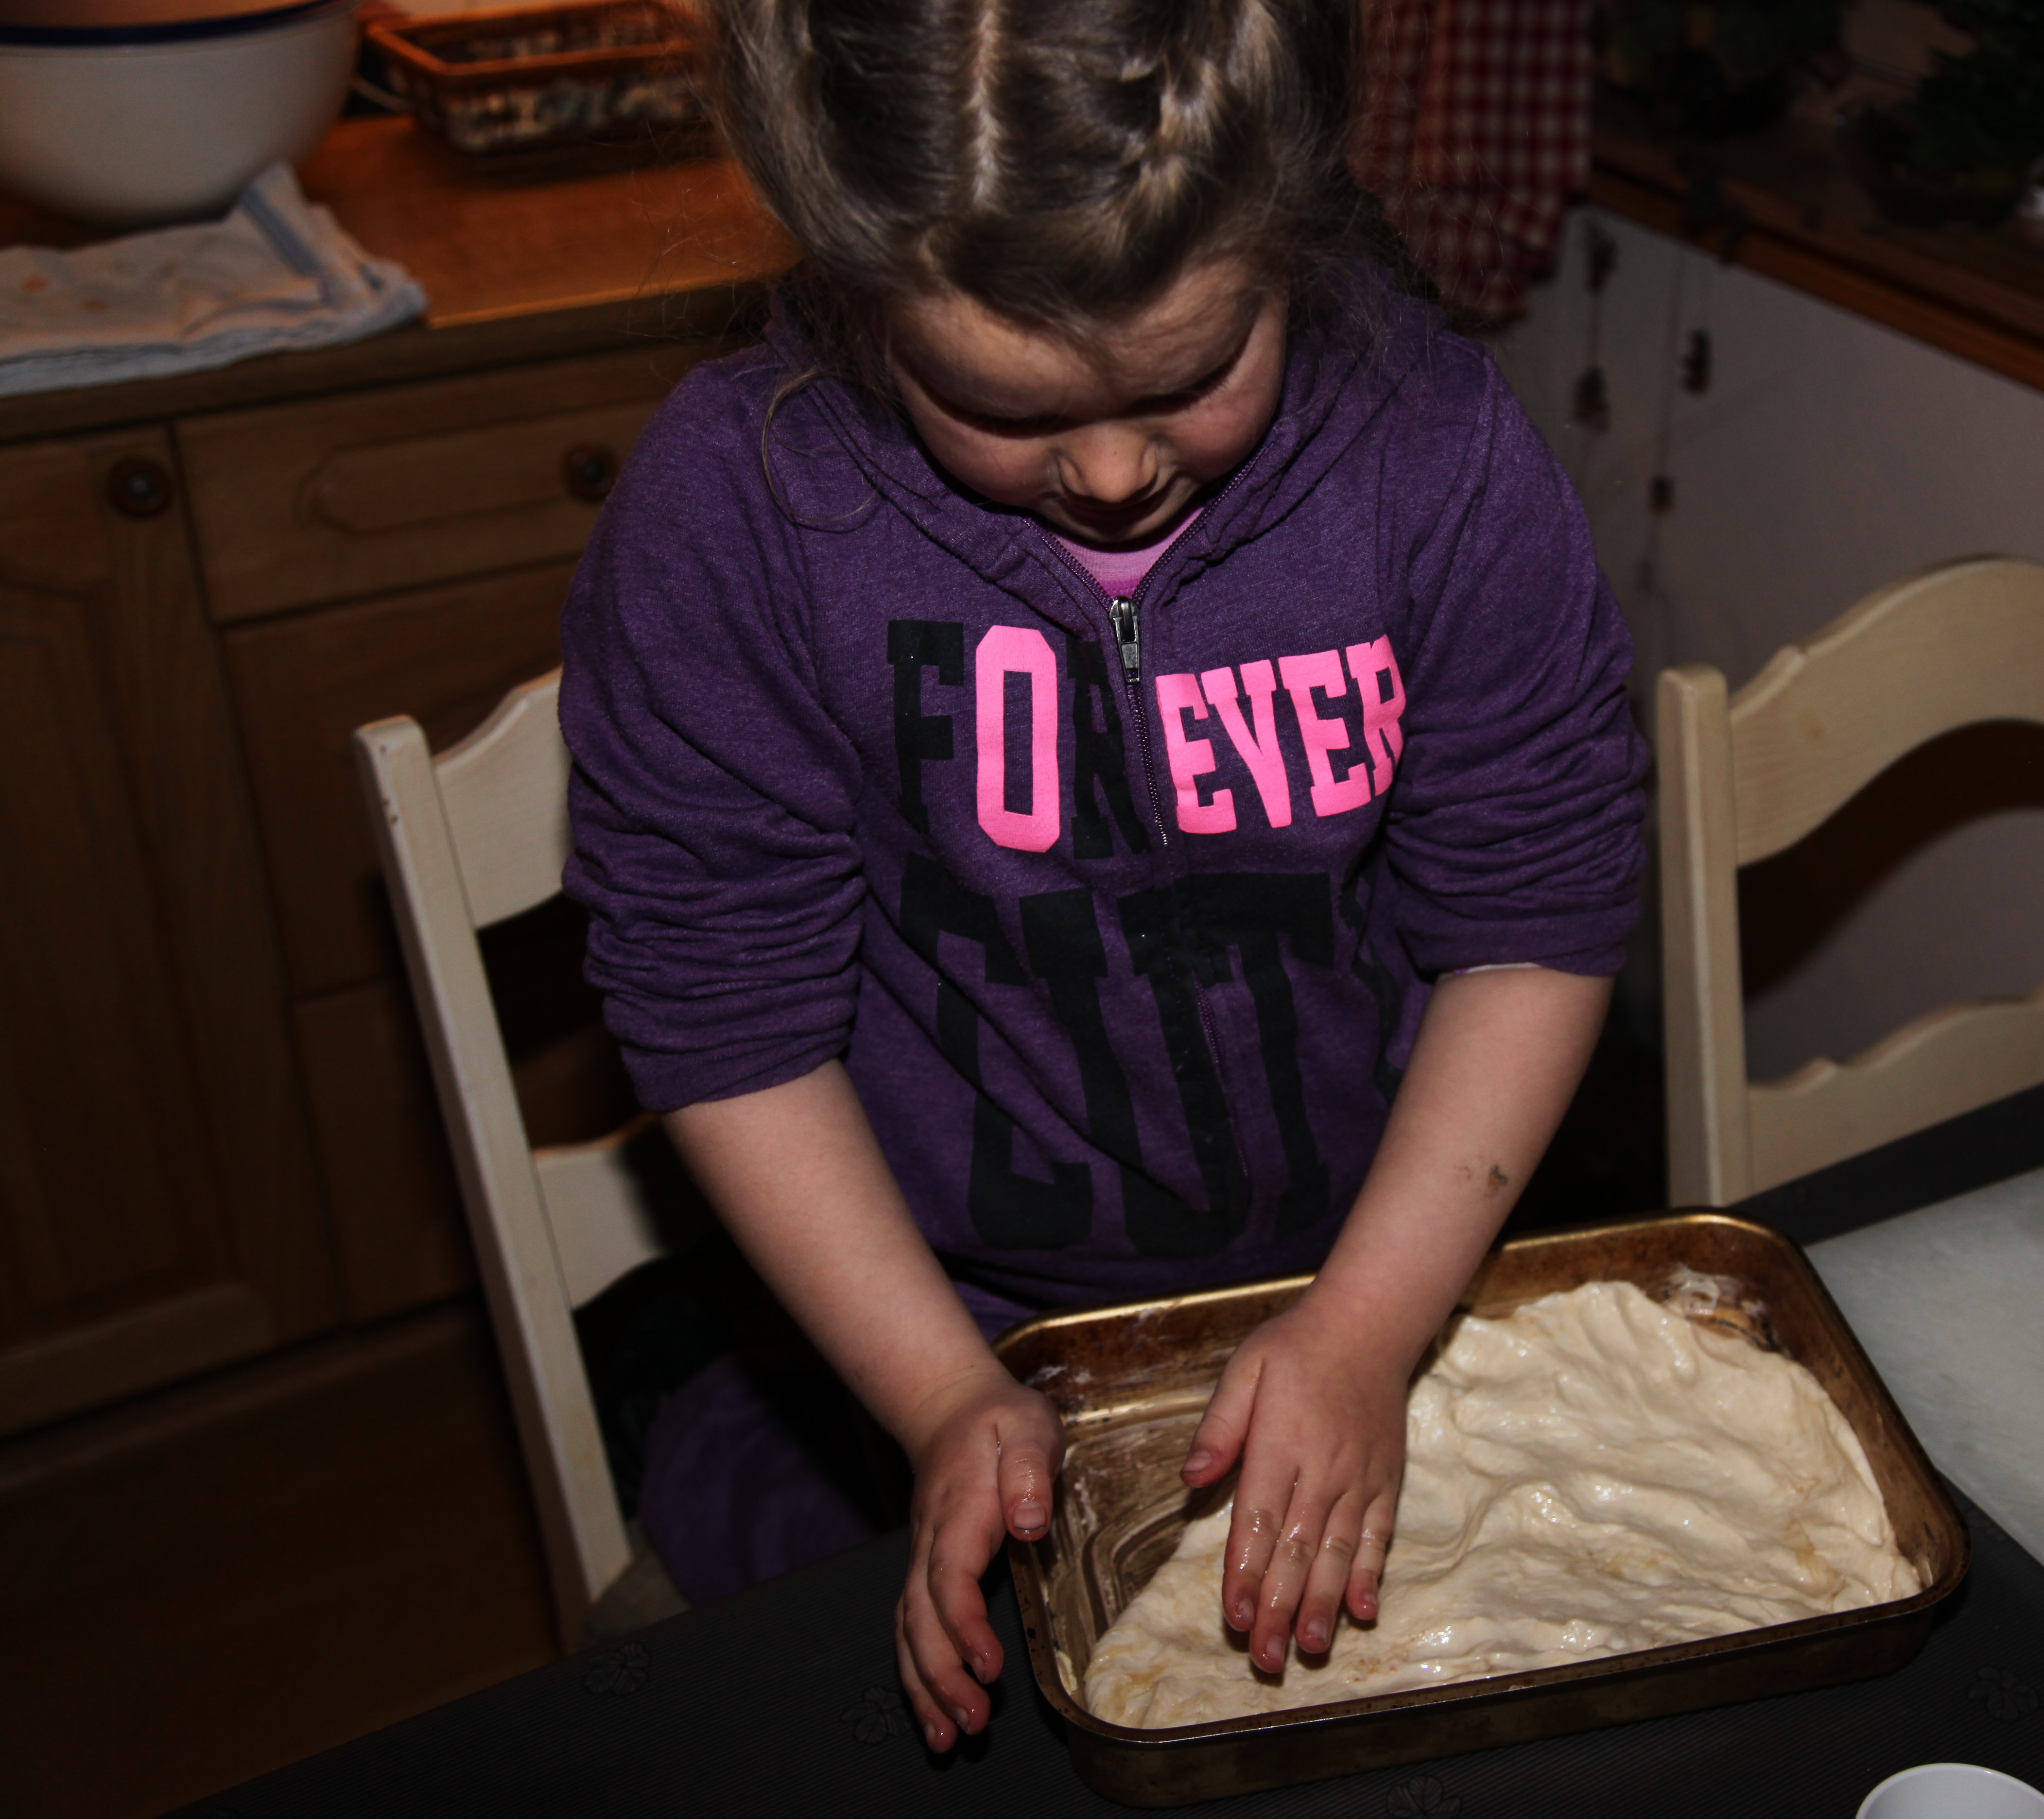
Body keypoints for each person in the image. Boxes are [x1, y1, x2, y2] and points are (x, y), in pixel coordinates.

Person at [560, 0, 1646, 1755]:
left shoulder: (1431, 448)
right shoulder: (733, 511)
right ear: (854, 279)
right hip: (930, 1326)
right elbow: (723, 1010)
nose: (1121, 476)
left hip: (1380, 1271)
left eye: (1198, 374)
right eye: (999, 406)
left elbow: (1536, 909)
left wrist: (1367, 1326)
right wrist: (931, 1397)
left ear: (1293, 231)